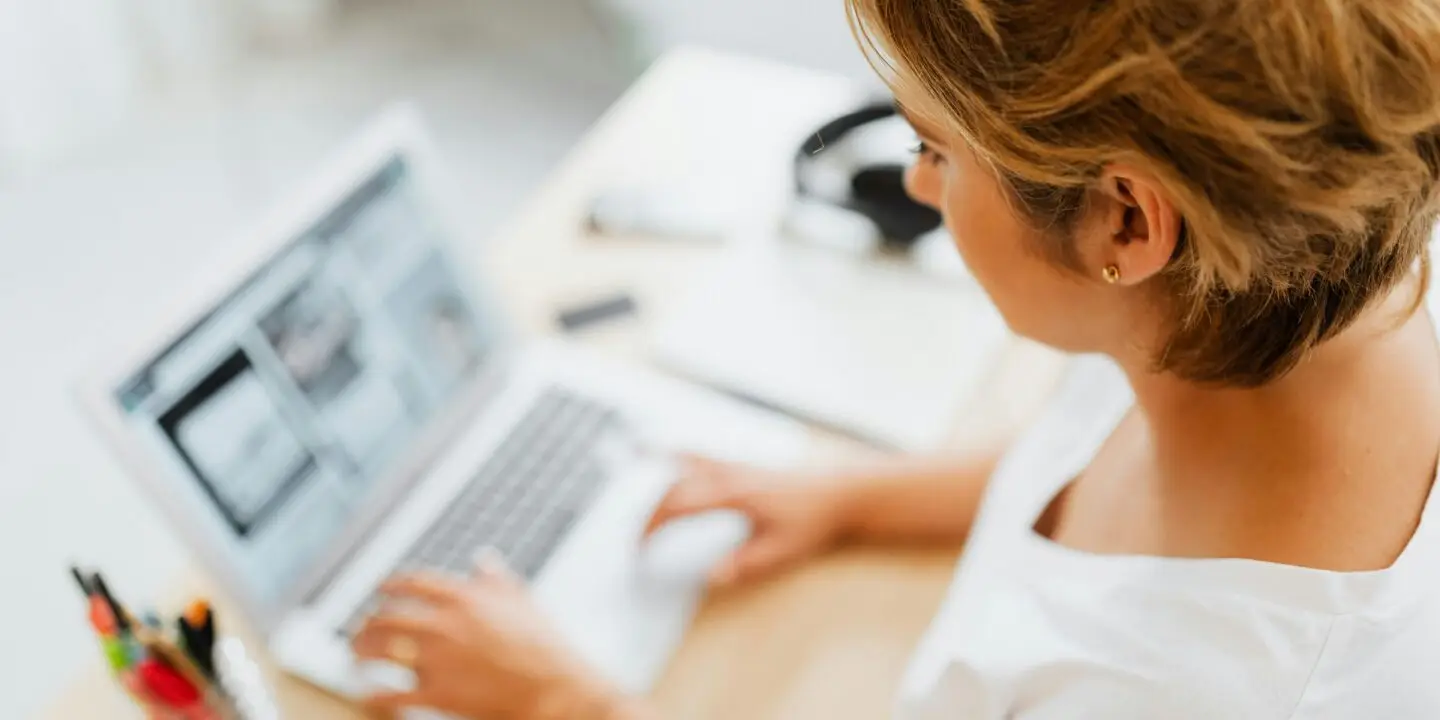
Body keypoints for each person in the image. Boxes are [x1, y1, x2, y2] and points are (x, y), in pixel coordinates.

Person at [350, 0, 1440, 716]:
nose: (918, 187)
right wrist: (855, 496)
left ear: (1124, 225)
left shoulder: (1202, 690)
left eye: (934, 148)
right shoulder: (1294, 278)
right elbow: (1085, 450)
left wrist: (563, 703)